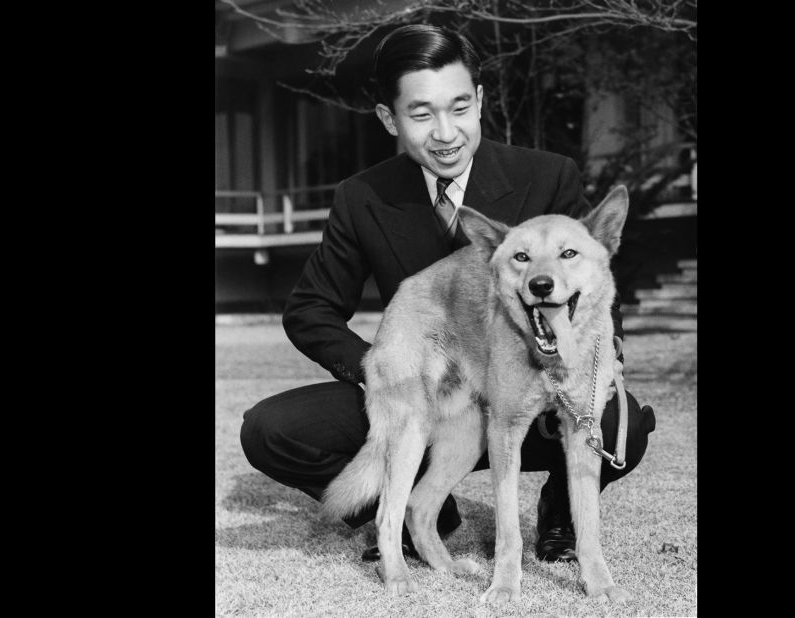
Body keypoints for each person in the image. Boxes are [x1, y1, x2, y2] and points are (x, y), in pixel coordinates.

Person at [240, 24, 655, 563]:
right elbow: (309, 311)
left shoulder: (548, 175)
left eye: (459, 107)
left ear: (479, 101)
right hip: (426, 384)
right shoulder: (360, 197)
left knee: (623, 426)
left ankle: (560, 511)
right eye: (421, 114)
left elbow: (591, 277)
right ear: (390, 118)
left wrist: (609, 354)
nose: (446, 132)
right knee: (269, 431)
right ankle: (424, 508)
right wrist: (386, 372)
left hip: (529, 382)